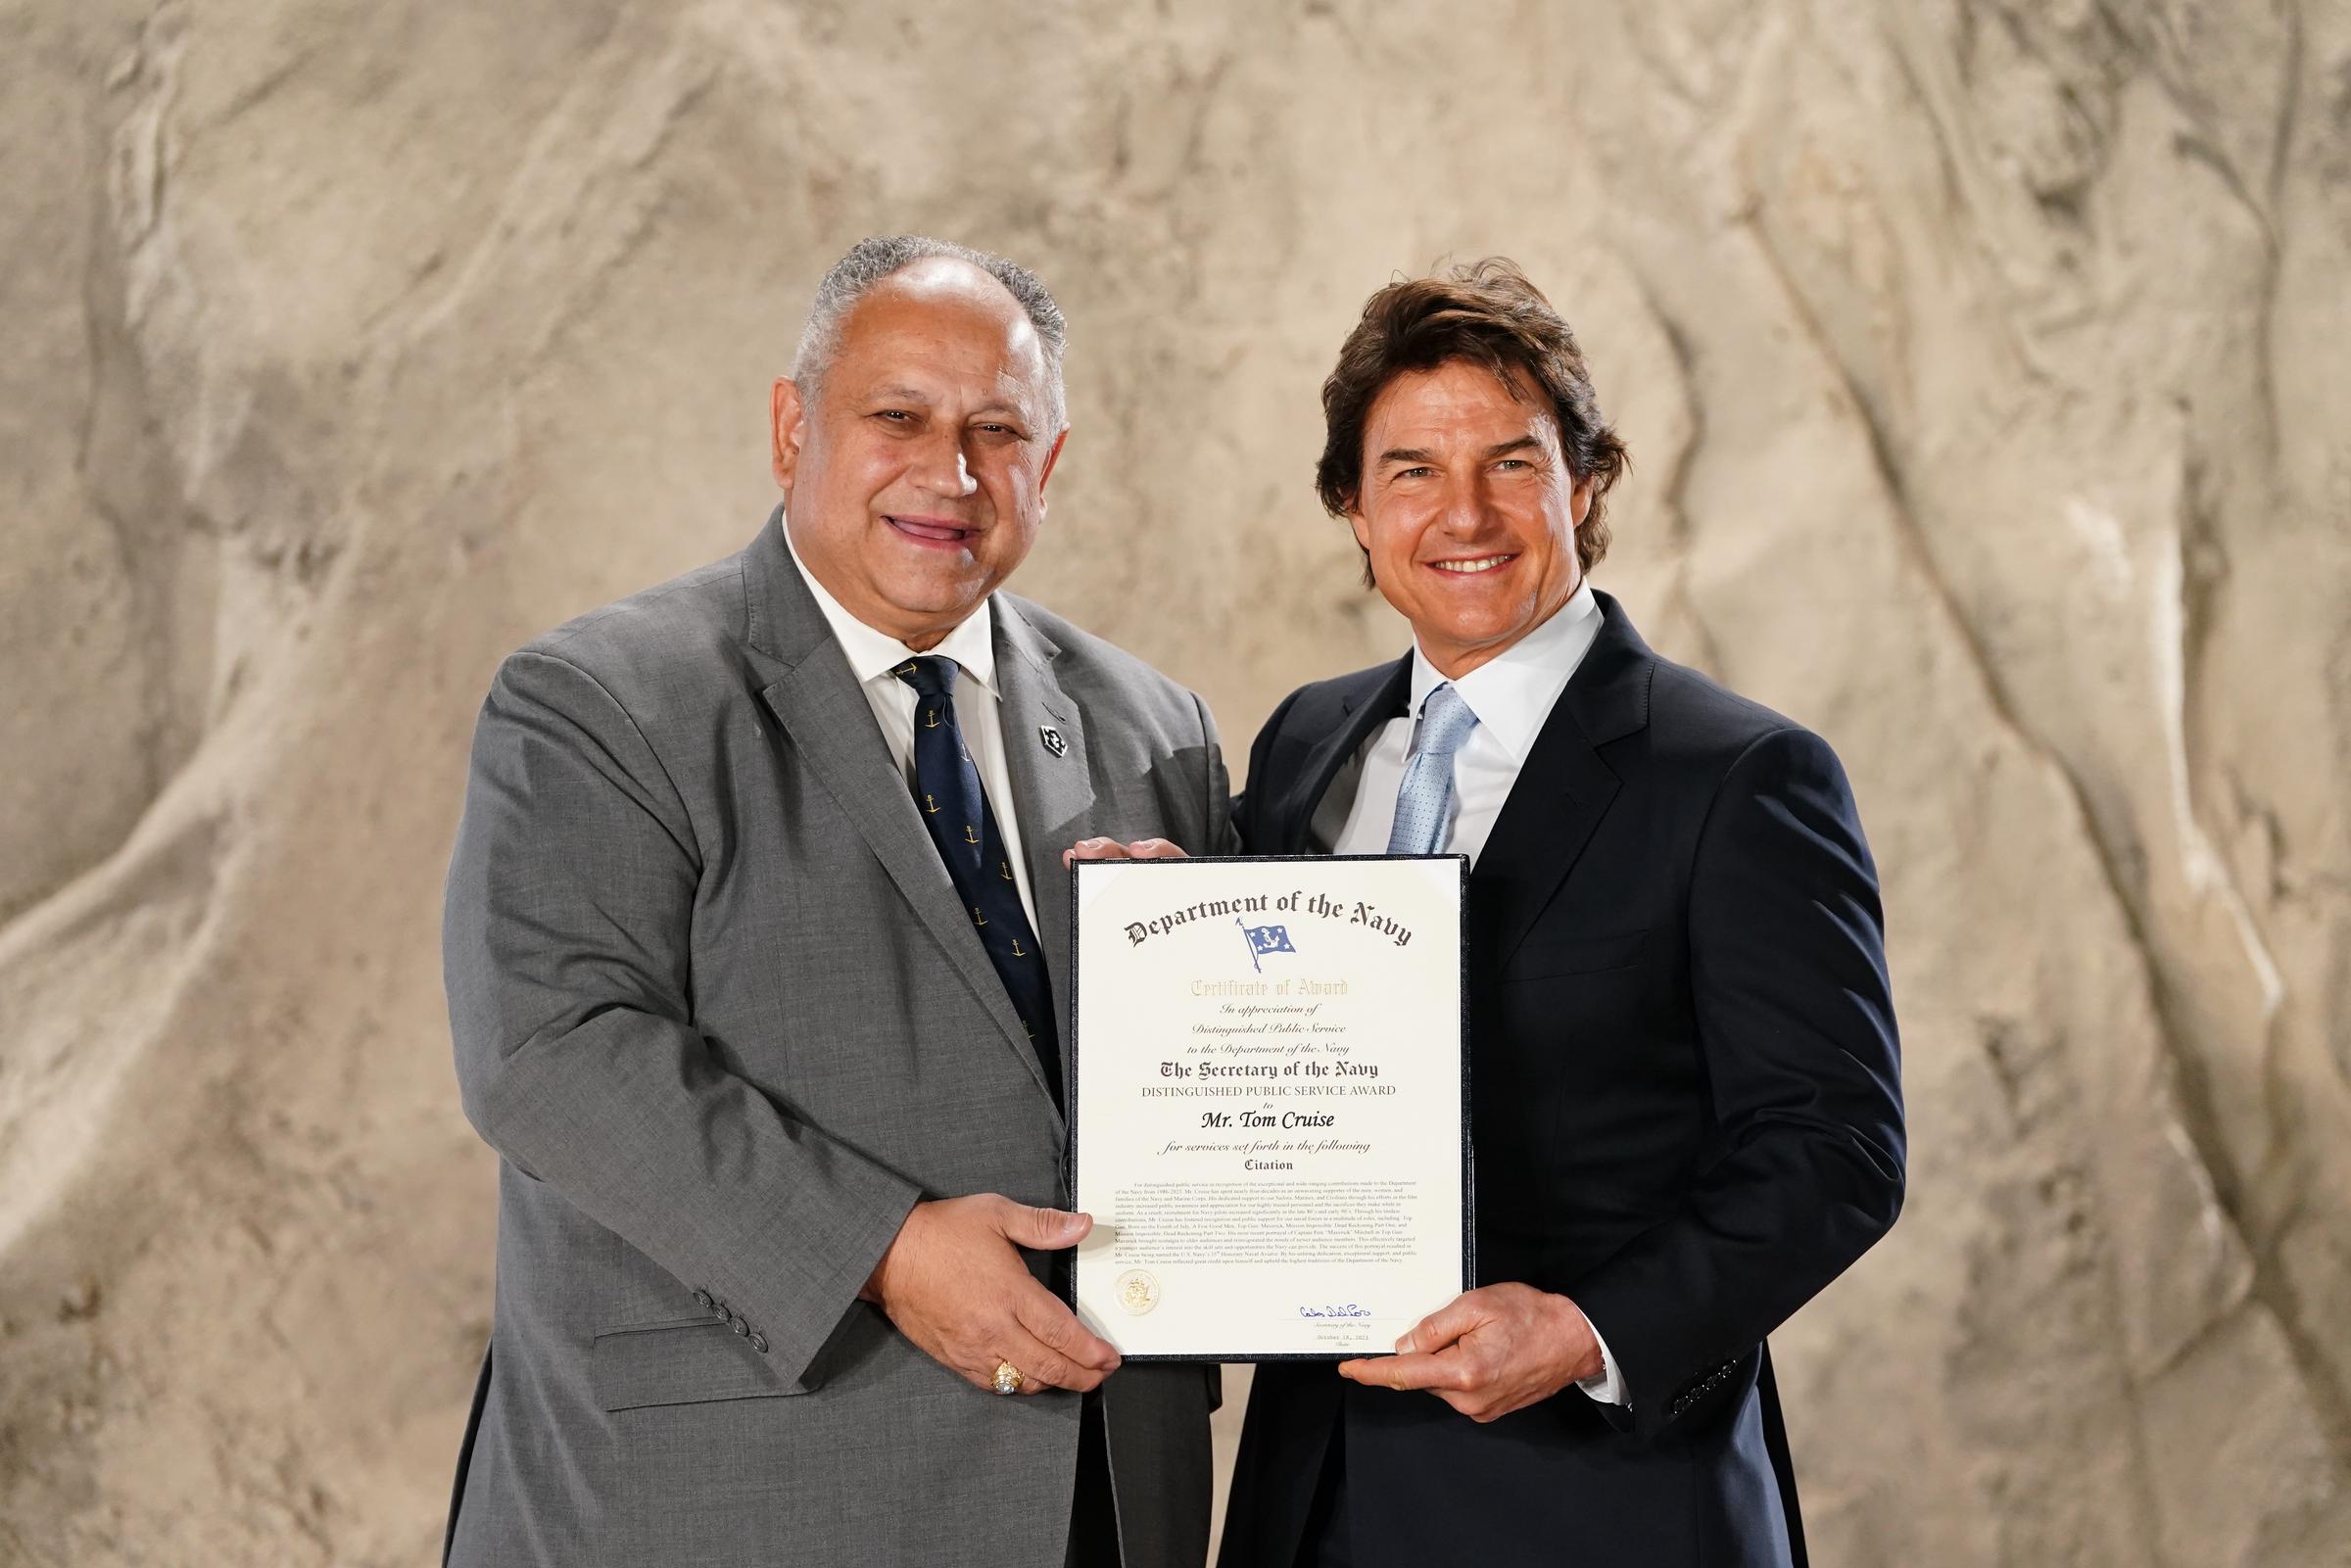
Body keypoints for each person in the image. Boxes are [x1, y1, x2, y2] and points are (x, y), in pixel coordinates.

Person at [440, 235, 1227, 1568]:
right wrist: (888, 1250)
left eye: (998, 429)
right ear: (791, 426)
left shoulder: (1152, 727)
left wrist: (1215, 986)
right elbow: (551, 1054)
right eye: (899, 418)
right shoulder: (603, 702)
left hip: (1095, 1493)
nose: (952, 472)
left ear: (1051, 462)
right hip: (737, 1496)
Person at [1213, 259, 1906, 1567]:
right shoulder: (1308, 743)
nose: (1464, 510)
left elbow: (1836, 1150)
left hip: (1604, 1502)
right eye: (1411, 468)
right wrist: (1160, 904)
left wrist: (1590, 1328)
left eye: (1513, 463)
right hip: (1315, 1495)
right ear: (1353, 509)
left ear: (1584, 484)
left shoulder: (1739, 775)